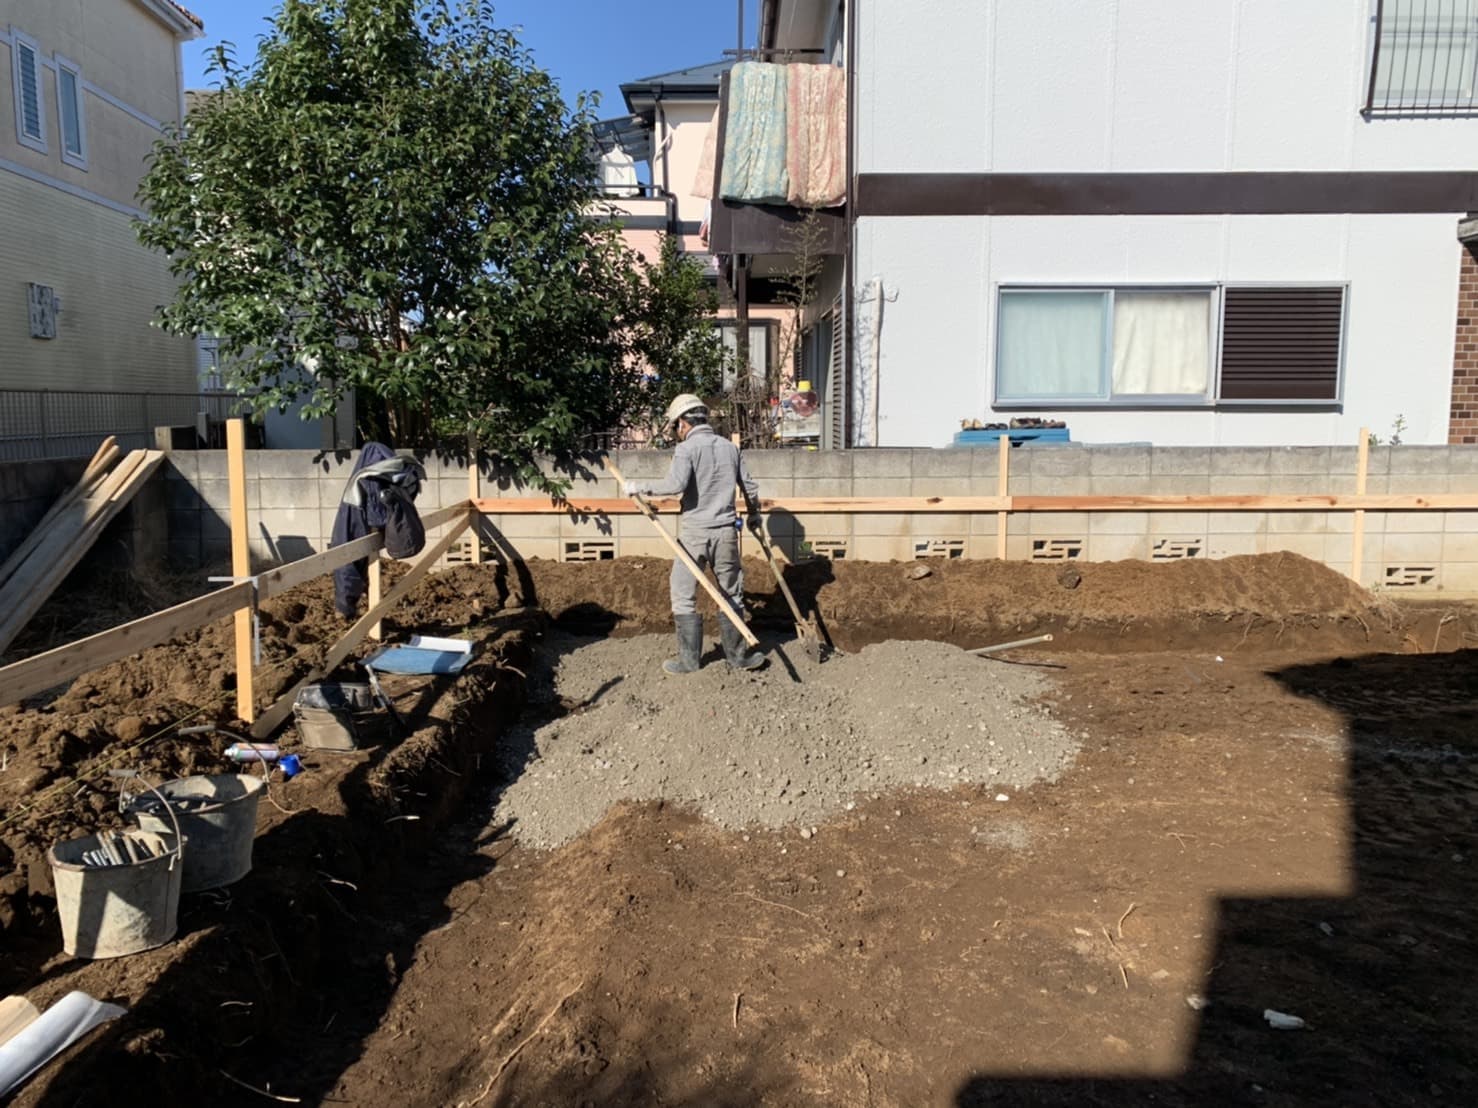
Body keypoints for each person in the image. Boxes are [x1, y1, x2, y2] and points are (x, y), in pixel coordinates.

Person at [626, 394, 765, 675]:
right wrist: (754, 515)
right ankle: (738, 657)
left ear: (683, 423)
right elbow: (749, 488)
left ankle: (689, 662)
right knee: (732, 593)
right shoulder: (730, 448)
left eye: (675, 426)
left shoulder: (686, 449)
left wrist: (638, 486)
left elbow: (675, 484)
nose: (676, 432)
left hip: (694, 536)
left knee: (682, 592)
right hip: (726, 533)